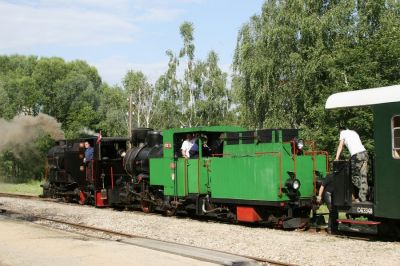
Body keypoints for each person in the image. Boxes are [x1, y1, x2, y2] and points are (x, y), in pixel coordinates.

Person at [335, 127, 368, 202]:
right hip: (365, 153)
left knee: (353, 177)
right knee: (363, 176)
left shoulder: (342, 132)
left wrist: (337, 158)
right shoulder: (354, 132)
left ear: (340, 130)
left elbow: (340, 146)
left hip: (357, 155)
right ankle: (363, 197)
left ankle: (359, 194)